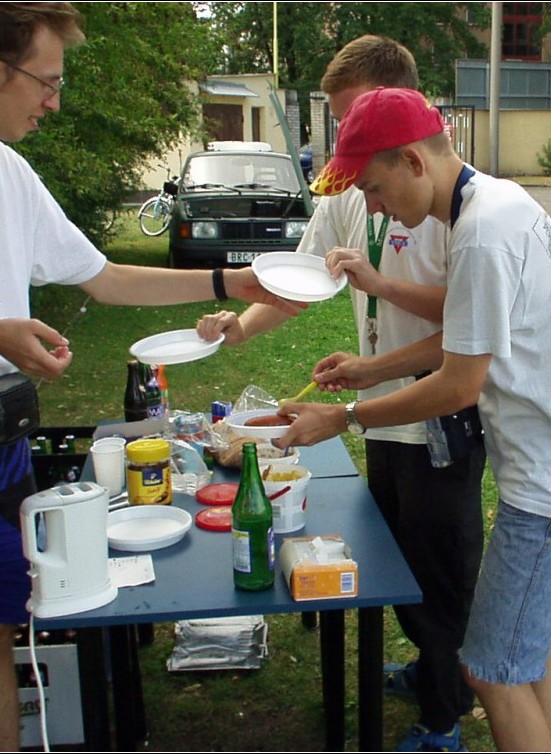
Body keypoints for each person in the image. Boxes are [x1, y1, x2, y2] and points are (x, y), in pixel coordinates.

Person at [0, 4, 302, 751]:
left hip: (1, 444)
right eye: (45, 82)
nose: (54, 99)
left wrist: (227, 284)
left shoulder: (9, 172)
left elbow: (103, 277)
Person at [273, 87, 551, 752]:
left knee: (488, 668)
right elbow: (467, 338)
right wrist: (369, 370)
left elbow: (460, 384)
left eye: (375, 189)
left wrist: (345, 415)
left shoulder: (483, 232)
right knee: (529, 646)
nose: (373, 208)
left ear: (412, 161)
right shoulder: (493, 204)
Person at [197, 36, 485, 752]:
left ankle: (447, 713)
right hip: (381, 418)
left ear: (405, 112)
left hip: (439, 415)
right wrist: (237, 328)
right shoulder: (355, 192)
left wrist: (378, 344)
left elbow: (471, 315)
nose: (347, 145)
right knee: (402, 557)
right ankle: (429, 671)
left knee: (444, 570)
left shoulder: (455, 203)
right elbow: (297, 281)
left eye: (357, 120)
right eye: (338, 124)